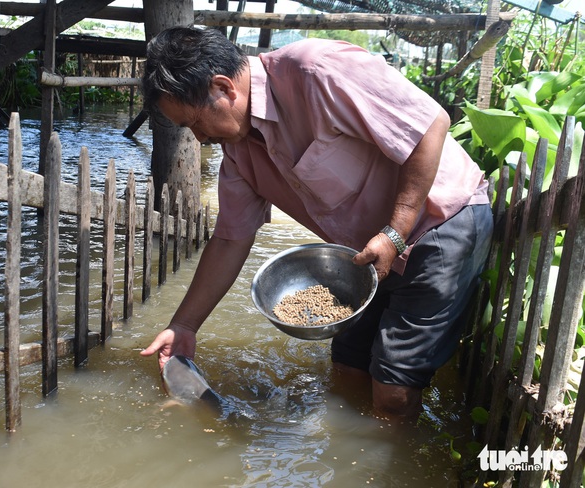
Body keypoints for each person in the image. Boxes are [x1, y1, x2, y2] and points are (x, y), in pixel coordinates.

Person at [139, 26, 493, 420]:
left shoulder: (317, 71)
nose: (199, 139)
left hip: (442, 221)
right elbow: (228, 239)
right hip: (372, 253)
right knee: (347, 370)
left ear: (223, 89)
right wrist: (184, 325)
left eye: (194, 123)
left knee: (393, 390)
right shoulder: (238, 152)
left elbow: (431, 126)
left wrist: (395, 232)